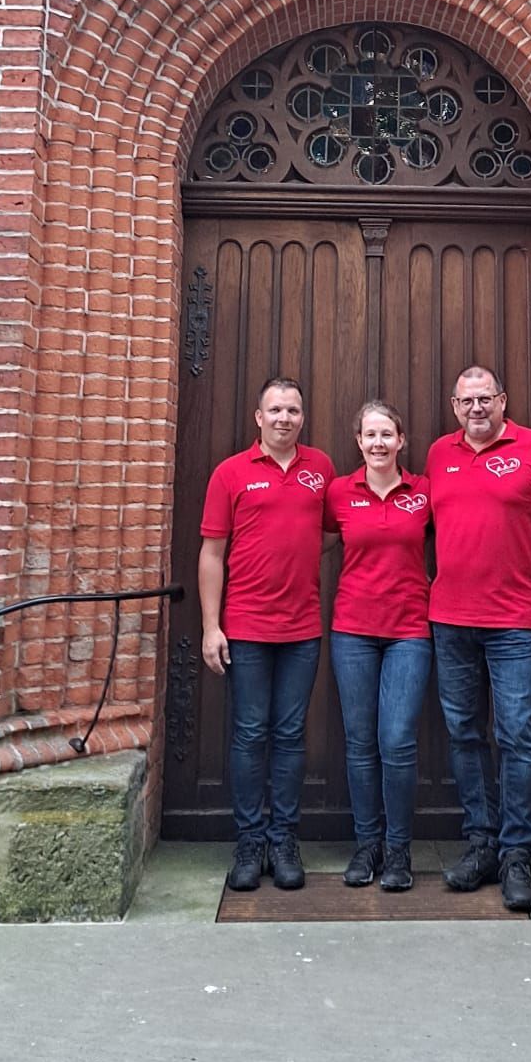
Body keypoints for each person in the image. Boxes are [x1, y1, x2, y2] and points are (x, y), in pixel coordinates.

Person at [426, 363, 531, 913]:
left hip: (514, 621)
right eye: (466, 401)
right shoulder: (438, 454)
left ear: (503, 400)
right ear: (454, 406)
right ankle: (482, 843)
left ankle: (517, 855)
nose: (476, 408)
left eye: (485, 398)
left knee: (517, 736)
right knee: (464, 735)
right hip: (450, 619)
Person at [198, 376, 334, 892]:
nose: (284, 418)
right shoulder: (230, 473)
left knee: (291, 734)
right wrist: (211, 627)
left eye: (292, 410)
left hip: (301, 627)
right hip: (247, 627)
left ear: (303, 417)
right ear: (259, 417)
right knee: (251, 733)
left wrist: (291, 558)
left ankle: (283, 838)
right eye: (275, 410)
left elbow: (327, 534)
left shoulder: (320, 469)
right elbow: (212, 554)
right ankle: (250, 840)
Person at [325, 399, 434, 893]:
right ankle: (367, 844)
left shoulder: (423, 492)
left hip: (410, 630)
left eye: (386, 434)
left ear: (401, 440)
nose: (378, 443)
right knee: (360, 742)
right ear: (358, 441)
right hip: (353, 630)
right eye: (370, 435)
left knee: (397, 740)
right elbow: (316, 540)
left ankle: (398, 849)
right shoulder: (339, 493)